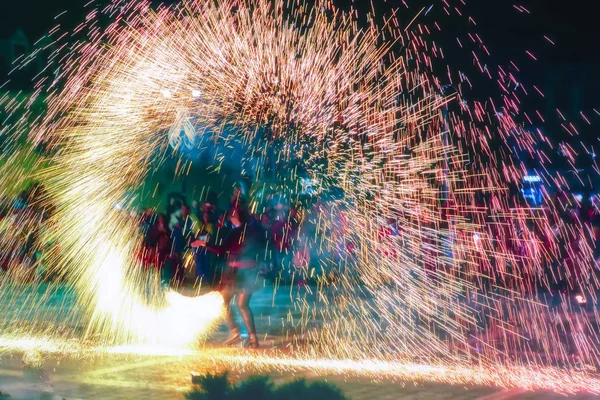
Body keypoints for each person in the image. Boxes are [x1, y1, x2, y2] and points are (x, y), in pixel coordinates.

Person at [191, 207, 263, 348]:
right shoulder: (251, 230)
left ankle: (235, 331)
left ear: (236, 218)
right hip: (248, 272)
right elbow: (259, 248)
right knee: (242, 305)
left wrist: (203, 243)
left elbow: (221, 250)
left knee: (224, 301)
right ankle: (253, 338)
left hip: (236, 273)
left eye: (232, 215)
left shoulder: (236, 232)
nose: (229, 217)